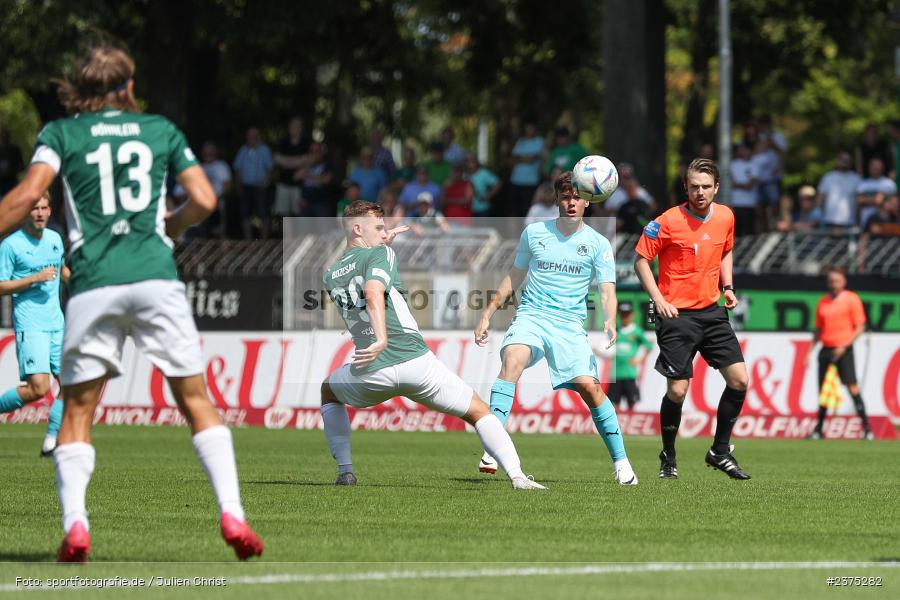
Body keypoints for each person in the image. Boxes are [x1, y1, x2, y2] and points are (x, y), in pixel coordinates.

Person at [0, 47, 263, 562]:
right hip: (156, 278)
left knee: (76, 407)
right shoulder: (160, 129)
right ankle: (232, 513)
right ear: (128, 85)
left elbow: (25, 194)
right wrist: (172, 226)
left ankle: (76, 526)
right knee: (195, 400)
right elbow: (206, 200)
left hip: (95, 282)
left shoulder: (61, 134)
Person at [321, 201, 545, 490]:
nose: (385, 230)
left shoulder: (331, 274)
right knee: (479, 411)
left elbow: (368, 286)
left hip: (371, 372)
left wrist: (379, 242)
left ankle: (345, 471)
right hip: (415, 363)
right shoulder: (381, 253)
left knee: (328, 391)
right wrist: (382, 337)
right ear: (356, 228)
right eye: (378, 227)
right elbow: (374, 292)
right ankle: (517, 476)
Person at [474, 171, 638, 485]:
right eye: (565, 196)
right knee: (512, 361)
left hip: (568, 325)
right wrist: (489, 311)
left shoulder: (598, 243)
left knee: (590, 388)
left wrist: (608, 318)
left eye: (577, 197)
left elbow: (607, 289)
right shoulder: (534, 234)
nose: (571, 202)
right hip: (532, 316)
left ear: (588, 201)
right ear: (557, 199)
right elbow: (514, 274)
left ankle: (622, 463)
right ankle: (493, 446)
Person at [634, 158, 751, 480]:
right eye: (694, 186)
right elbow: (641, 261)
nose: (700, 192)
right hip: (676, 316)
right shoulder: (667, 221)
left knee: (740, 380)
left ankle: (720, 451)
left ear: (716, 188)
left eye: (706, 187)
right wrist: (658, 300)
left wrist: (727, 286)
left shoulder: (725, 216)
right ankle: (668, 454)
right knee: (677, 392)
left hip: (713, 312)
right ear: (685, 187)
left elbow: (726, 250)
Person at [0, 192, 68, 456]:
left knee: (72, 385)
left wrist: (82, 284)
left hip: (57, 324)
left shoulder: (55, 239)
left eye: (44, 208)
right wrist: (32, 279)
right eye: (34, 209)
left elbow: (61, 271)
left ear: (50, 211)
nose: (40, 213)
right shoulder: (11, 245)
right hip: (31, 324)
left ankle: (52, 441)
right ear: (25, 212)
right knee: (38, 388)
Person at [805, 267, 872, 440]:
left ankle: (867, 429)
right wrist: (809, 352)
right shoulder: (823, 301)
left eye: (836, 281)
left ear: (844, 282)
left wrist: (844, 345)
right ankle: (818, 430)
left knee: (852, 387)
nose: (833, 284)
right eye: (831, 281)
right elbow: (818, 329)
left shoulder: (851, 299)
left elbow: (860, 327)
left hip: (844, 349)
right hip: (826, 349)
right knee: (824, 391)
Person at [599, 303, 653, 411]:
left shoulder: (637, 331)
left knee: (631, 403)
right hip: (616, 373)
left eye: (627, 314)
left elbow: (649, 345)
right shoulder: (615, 330)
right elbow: (608, 347)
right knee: (614, 403)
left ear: (632, 315)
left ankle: (630, 426)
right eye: (623, 314)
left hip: (630, 374)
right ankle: (618, 426)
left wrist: (639, 360)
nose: (625, 317)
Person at [233, 126, 274, 239]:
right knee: (245, 214)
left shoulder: (265, 150)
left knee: (263, 213)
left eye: (255, 136)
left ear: (258, 137)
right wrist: (238, 186)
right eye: (250, 136)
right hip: (245, 187)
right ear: (247, 137)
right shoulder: (243, 150)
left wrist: (266, 184)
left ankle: (264, 240)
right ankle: (248, 240)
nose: (252, 138)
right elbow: (237, 169)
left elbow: (270, 169)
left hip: (261, 187)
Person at [272, 116, 310, 218]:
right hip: (283, 183)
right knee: (284, 216)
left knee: (299, 215)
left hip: (299, 186)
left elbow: (309, 160)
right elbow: (277, 159)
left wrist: (286, 161)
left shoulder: (306, 144)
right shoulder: (282, 142)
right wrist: (299, 160)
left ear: (301, 128)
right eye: (293, 125)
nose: (295, 128)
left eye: (298, 126)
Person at [506, 119, 545, 217]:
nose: (529, 130)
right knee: (514, 211)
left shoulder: (540, 141)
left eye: (531, 128)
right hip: (515, 181)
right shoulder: (520, 141)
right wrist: (525, 157)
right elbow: (512, 160)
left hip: (531, 182)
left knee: (528, 211)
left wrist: (520, 158)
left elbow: (532, 159)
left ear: (535, 129)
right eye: (527, 128)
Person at [817, 150, 862, 229]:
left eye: (846, 160)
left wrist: (858, 221)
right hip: (829, 222)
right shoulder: (828, 177)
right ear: (837, 160)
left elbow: (859, 201)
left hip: (850, 222)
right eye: (842, 159)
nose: (844, 162)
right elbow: (820, 199)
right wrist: (817, 215)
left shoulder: (856, 179)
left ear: (850, 162)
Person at [729, 143, 759, 236]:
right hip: (735, 203)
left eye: (746, 150)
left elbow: (750, 186)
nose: (744, 152)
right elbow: (730, 183)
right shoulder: (733, 165)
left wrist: (737, 184)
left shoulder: (754, 165)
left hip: (749, 204)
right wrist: (744, 185)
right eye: (743, 150)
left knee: (749, 232)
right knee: (736, 232)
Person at [0, 128, 24, 196]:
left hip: (11, 184)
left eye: (5, 136)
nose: (4, 138)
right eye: (2, 136)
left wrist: (12, 170)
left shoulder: (15, 150)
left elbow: (22, 166)